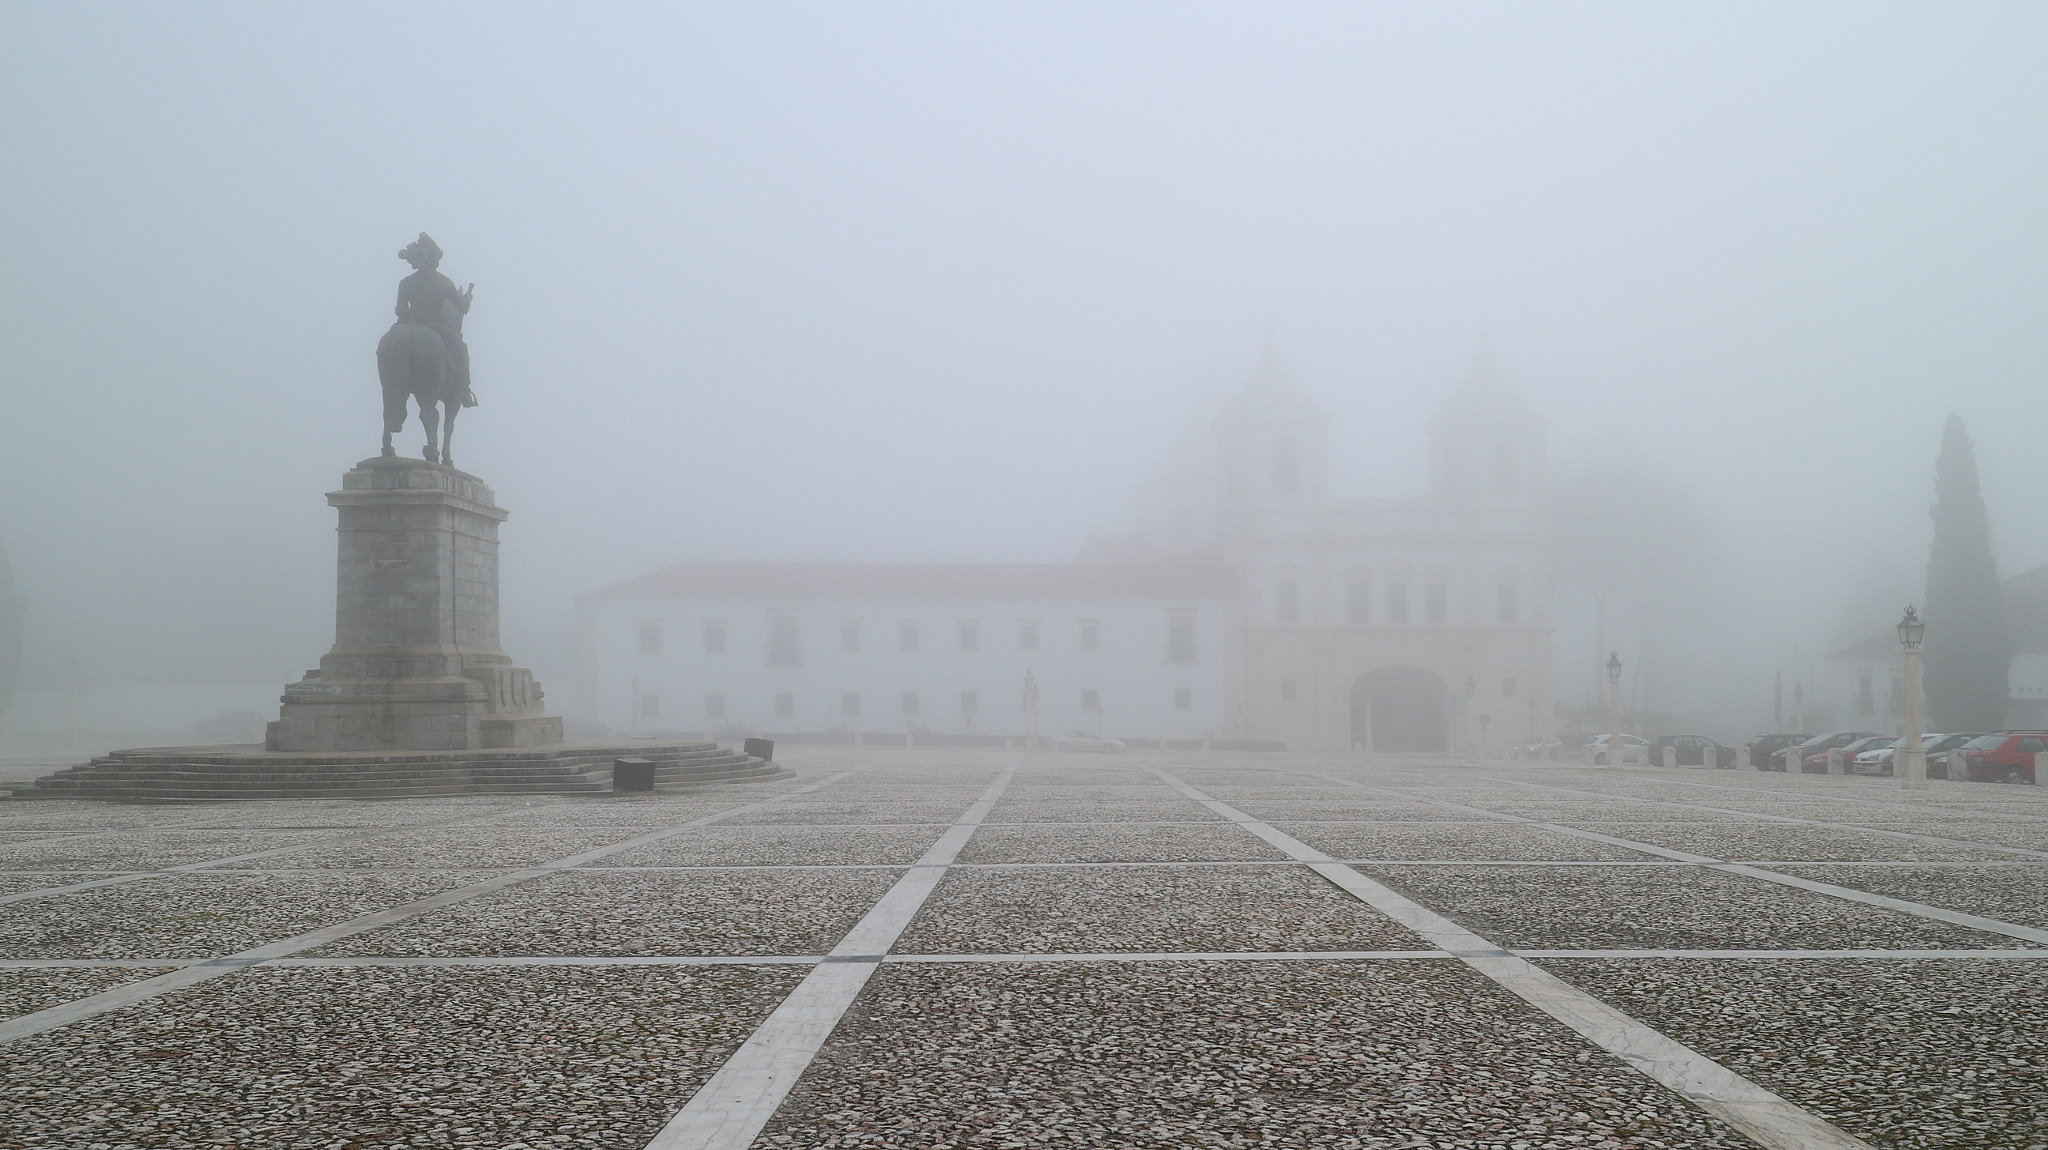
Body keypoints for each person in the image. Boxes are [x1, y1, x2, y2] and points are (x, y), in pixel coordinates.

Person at [395, 233, 476, 406]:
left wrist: (408, 318)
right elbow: (462, 307)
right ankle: (464, 391)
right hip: (438, 328)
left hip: (410, 325)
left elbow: (400, 310)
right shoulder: (444, 283)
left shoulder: (406, 283)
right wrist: (467, 300)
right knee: (461, 350)